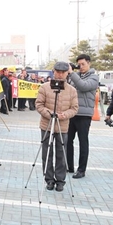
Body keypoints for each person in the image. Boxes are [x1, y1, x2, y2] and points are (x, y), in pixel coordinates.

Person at [35, 62, 79, 191]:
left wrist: (64, 115)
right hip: (47, 125)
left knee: (61, 153)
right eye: (57, 72)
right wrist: (50, 114)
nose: (60, 75)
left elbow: (74, 108)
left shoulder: (72, 90)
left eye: (63, 72)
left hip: (63, 126)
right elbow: (39, 105)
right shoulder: (44, 87)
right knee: (47, 153)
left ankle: (60, 180)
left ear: (67, 73)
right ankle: (49, 179)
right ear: (53, 71)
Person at [66, 54, 99, 179]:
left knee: (83, 142)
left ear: (89, 63)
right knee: (68, 140)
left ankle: (81, 169)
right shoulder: (75, 76)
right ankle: (69, 166)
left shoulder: (94, 77)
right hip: (72, 113)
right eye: (78, 65)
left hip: (84, 114)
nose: (80, 67)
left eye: (83, 64)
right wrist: (67, 74)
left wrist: (72, 74)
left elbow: (83, 86)